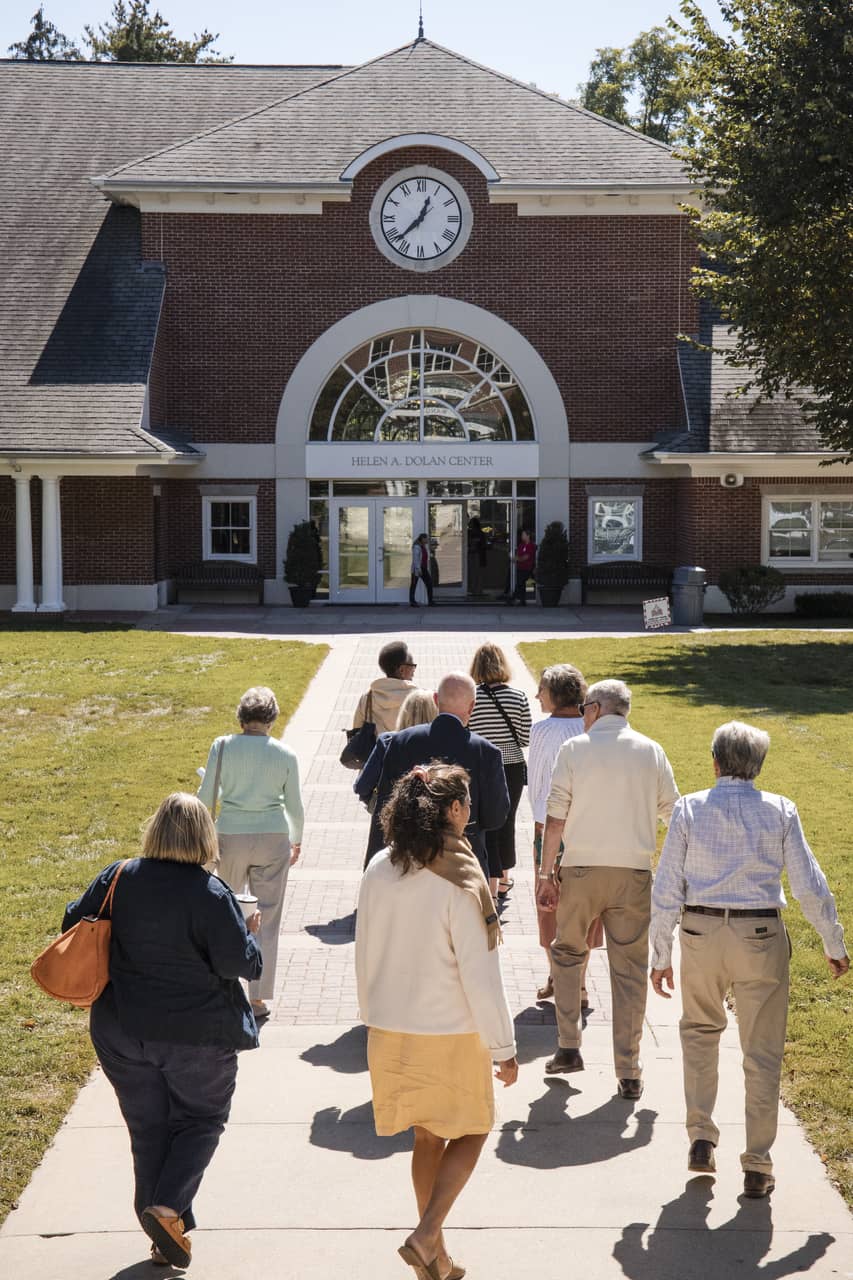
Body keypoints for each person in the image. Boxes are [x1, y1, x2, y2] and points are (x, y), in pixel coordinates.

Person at [62, 793, 262, 1269]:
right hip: (198, 1035)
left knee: (148, 1128)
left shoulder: (118, 876)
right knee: (201, 1120)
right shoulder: (212, 894)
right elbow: (242, 964)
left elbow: (73, 922)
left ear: (155, 830)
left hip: (121, 1029)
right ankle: (167, 1210)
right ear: (204, 838)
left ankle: (162, 1230)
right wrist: (250, 927)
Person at [649, 721, 848, 1198]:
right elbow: (808, 882)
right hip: (759, 932)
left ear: (715, 762)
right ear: (757, 767)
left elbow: (666, 886)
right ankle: (758, 1163)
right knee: (761, 1051)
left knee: (699, 1033)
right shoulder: (780, 809)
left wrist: (660, 952)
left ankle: (700, 1135)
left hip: (699, 932)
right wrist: (833, 941)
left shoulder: (689, 809)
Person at [356, 763, 518, 1280]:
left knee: (427, 1140)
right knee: (474, 1130)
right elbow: (480, 973)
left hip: (389, 1028)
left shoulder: (379, 867)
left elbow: (364, 951)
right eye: (466, 803)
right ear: (451, 810)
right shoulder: (461, 879)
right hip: (449, 1030)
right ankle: (427, 1237)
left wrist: (369, 1016)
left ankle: (438, 1260)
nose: (470, 812)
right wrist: (504, 1047)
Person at [536, 679, 679, 1099]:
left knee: (567, 955)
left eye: (584, 707)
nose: (582, 714)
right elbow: (674, 812)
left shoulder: (575, 750)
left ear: (596, 708)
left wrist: (547, 874)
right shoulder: (651, 750)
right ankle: (629, 1069)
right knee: (629, 972)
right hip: (633, 873)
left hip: (580, 871)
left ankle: (568, 1046)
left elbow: (556, 815)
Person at [198, 686, 303, 1022]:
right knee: (267, 919)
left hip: (230, 834)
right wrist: (296, 839)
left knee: (225, 912)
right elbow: (295, 807)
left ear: (241, 717)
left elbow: (204, 796)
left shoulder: (223, 746)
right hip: (273, 836)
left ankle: (224, 985)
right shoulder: (285, 754)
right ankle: (257, 998)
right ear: (271, 719)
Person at [356, 672, 510, 876]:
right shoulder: (487, 752)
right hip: (462, 863)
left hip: (407, 862)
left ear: (436, 700)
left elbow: (387, 805)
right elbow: (495, 818)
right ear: (472, 706)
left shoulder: (401, 742)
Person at [527, 663, 602, 1004]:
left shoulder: (542, 730)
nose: (537, 694)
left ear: (555, 693)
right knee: (584, 905)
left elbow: (537, 784)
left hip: (549, 828)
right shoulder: (593, 729)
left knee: (549, 903)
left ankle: (559, 978)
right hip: (589, 826)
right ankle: (580, 984)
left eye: (541, 689)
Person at [468, 643, 532, 902]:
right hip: (512, 765)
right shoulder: (518, 696)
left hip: (481, 763)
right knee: (507, 820)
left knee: (483, 821)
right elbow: (525, 737)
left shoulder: (471, 697)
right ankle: (504, 876)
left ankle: (487, 874)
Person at [353, 687, 437, 855]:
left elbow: (361, 786)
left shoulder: (388, 742)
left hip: (388, 833)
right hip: (430, 837)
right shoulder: (442, 746)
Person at [352, 640, 419, 735]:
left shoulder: (367, 698)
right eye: (413, 666)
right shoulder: (419, 699)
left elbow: (356, 730)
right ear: (402, 670)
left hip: (376, 749)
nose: (414, 670)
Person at [511, 528, 536, 605]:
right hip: (520, 567)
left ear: (528, 536)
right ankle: (522, 600)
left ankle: (513, 598)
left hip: (527, 568)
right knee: (521, 584)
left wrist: (517, 559)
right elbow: (518, 555)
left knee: (520, 583)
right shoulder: (521, 545)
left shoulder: (531, 545)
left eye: (523, 535)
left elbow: (526, 557)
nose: (522, 536)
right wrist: (516, 558)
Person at [410, 532, 435, 607]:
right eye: (426, 539)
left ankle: (430, 601)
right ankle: (412, 602)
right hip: (417, 569)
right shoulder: (417, 547)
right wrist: (418, 569)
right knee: (414, 585)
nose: (427, 540)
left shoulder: (423, 546)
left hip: (423, 568)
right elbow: (416, 559)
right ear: (422, 539)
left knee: (429, 583)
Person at [466, 516, 487, 596]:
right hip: (472, 555)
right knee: (472, 573)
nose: (468, 524)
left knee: (477, 573)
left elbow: (483, 545)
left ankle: (477, 590)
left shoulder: (480, 534)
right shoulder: (469, 533)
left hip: (477, 556)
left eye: (470, 523)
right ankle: (473, 589)